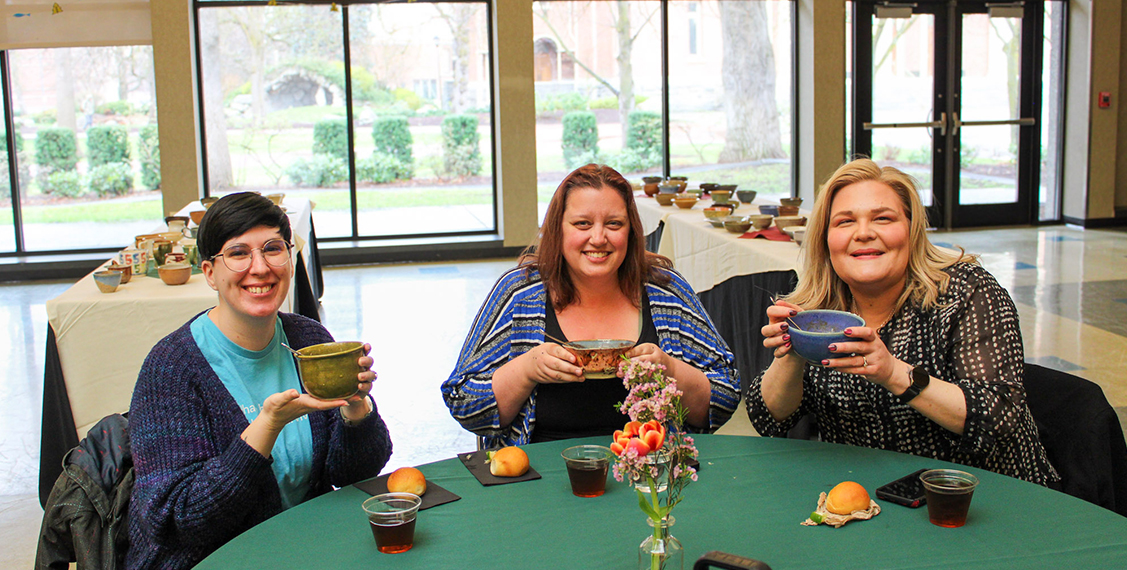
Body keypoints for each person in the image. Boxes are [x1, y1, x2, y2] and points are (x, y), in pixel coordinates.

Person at [748, 158, 1057, 485]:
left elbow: (998, 416)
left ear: (912, 230)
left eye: (883, 219)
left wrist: (893, 372)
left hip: (986, 498)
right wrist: (792, 352)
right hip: (873, 498)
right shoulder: (817, 311)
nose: (864, 233)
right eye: (844, 222)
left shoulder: (966, 293)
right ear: (825, 239)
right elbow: (770, 418)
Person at [127, 193, 392, 570]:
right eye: (238, 253)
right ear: (209, 273)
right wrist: (267, 426)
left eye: (272, 249)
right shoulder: (172, 367)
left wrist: (355, 407)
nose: (260, 267)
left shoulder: (308, 339)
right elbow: (176, 520)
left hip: (302, 548)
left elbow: (352, 475)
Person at [442, 164, 740, 448]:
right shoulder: (520, 293)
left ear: (631, 231)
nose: (598, 238)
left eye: (614, 224)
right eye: (582, 223)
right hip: (538, 480)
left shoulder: (666, 291)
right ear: (557, 229)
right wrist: (527, 369)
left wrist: (670, 369)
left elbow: (725, 397)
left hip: (654, 476)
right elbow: (464, 403)